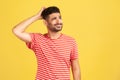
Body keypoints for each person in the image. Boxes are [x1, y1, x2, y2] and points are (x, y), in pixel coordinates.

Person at [12, 6, 81, 80]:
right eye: (54, 19)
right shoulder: (37, 39)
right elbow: (16, 31)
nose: (58, 21)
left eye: (60, 18)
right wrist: (37, 16)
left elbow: (75, 68)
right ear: (45, 22)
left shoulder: (71, 41)